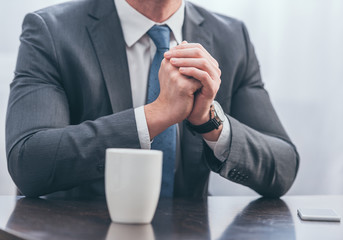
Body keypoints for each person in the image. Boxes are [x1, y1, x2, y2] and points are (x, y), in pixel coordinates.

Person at [6, 0, 299, 198]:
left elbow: (283, 167)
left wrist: (208, 121)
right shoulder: (52, 31)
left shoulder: (232, 37)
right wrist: (155, 115)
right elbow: (29, 162)